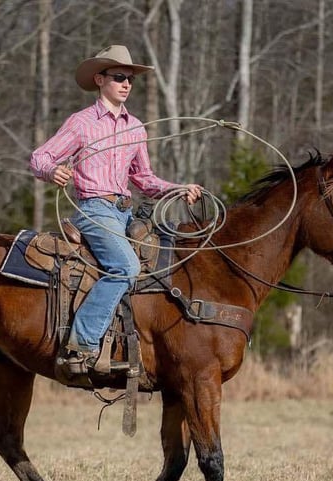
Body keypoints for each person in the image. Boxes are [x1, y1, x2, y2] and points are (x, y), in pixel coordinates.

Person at [30, 44, 202, 374]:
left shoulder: (135, 127)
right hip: (94, 210)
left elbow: (144, 178)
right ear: (99, 79)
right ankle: (81, 346)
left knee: (162, 267)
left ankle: (134, 347)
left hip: (126, 212)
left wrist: (177, 189)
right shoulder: (81, 123)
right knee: (125, 267)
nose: (126, 84)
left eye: (131, 79)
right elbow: (40, 157)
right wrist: (52, 171)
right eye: (119, 77)